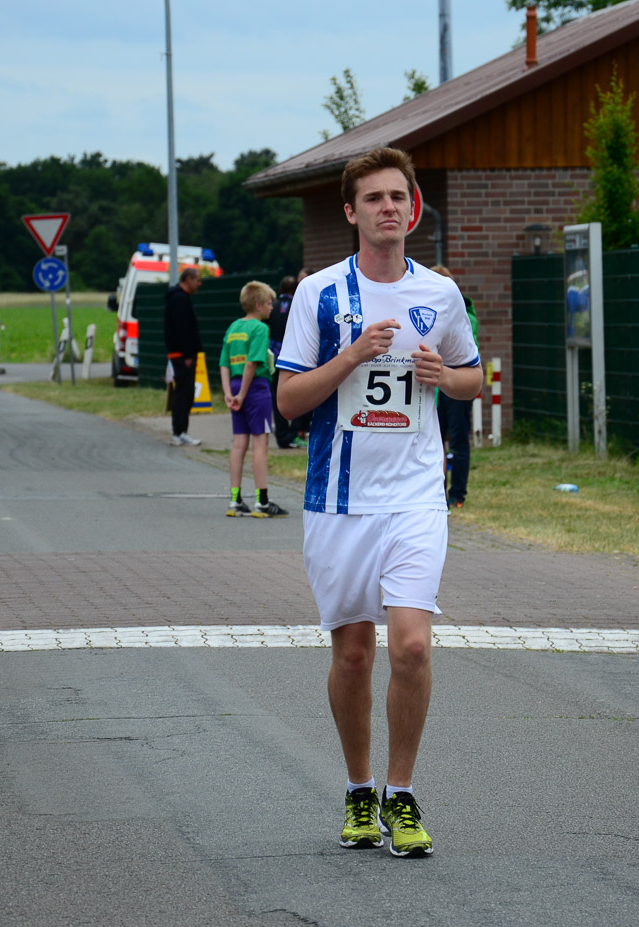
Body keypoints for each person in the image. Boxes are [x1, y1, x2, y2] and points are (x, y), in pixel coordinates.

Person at [275, 148, 482, 858]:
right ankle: (358, 788)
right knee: (355, 654)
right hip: (339, 500)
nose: (388, 207)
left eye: (398, 196)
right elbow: (289, 400)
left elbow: (473, 379)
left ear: (412, 208)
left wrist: (444, 376)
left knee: (412, 645)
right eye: (374, 198)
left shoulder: (441, 293)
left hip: (416, 496)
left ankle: (401, 793)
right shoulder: (320, 294)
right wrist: (351, 356)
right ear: (351, 212)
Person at [219, 281, 288, 518]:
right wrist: (243, 394)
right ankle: (262, 501)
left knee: (239, 444)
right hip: (256, 388)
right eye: (269, 303)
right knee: (260, 444)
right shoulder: (260, 329)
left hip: (235, 386)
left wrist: (229, 393)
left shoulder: (233, 327)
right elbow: (252, 363)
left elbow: (224, 364)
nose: (272, 307)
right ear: (258, 305)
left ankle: (235, 499)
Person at [430, 265, 479, 509]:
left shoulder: (465, 317)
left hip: (455, 389)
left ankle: (457, 493)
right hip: (435, 390)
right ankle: (437, 492)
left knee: (458, 441)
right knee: (435, 442)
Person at [164, 266, 204, 447]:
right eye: (198, 280)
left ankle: (182, 431)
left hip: (181, 353)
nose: (200, 284)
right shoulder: (179, 299)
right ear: (188, 279)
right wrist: (187, 354)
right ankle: (178, 432)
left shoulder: (181, 298)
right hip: (182, 355)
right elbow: (182, 329)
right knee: (183, 393)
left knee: (186, 393)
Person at [268, 275, 300, 449]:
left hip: (274, 355)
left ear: (280, 289)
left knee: (276, 394)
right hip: (294, 357)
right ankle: (295, 432)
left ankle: (281, 434)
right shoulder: (298, 305)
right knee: (300, 394)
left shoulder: (272, 306)